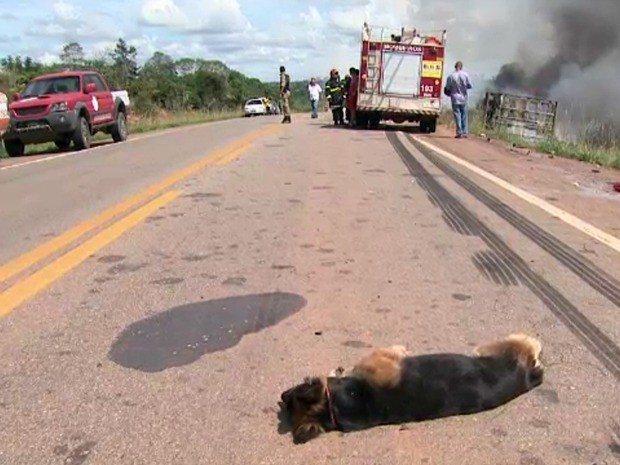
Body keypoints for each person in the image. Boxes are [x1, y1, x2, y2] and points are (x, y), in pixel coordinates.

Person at [444, 61, 472, 138]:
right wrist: (463, 87)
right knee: (464, 115)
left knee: (457, 115)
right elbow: (470, 85)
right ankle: (465, 132)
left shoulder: (451, 76)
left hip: (455, 98)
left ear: (455, 67)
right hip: (463, 98)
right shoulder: (465, 75)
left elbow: (447, 88)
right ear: (461, 67)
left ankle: (459, 132)